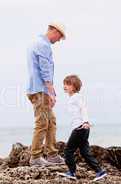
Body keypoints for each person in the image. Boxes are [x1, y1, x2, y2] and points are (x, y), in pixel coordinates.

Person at [26, 22, 66, 166]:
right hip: (39, 90)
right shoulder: (43, 45)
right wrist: (50, 90)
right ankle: (36, 157)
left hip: (39, 89)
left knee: (51, 120)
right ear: (53, 31)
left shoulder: (36, 42)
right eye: (59, 36)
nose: (59, 40)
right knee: (42, 122)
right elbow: (44, 68)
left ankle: (52, 155)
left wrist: (50, 90)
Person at [59, 75, 107, 180]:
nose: (65, 86)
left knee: (68, 151)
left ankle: (71, 173)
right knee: (85, 152)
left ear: (74, 86)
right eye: (64, 84)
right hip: (82, 128)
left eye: (67, 84)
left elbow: (83, 108)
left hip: (80, 128)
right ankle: (100, 171)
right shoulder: (73, 98)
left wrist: (85, 121)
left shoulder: (76, 97)